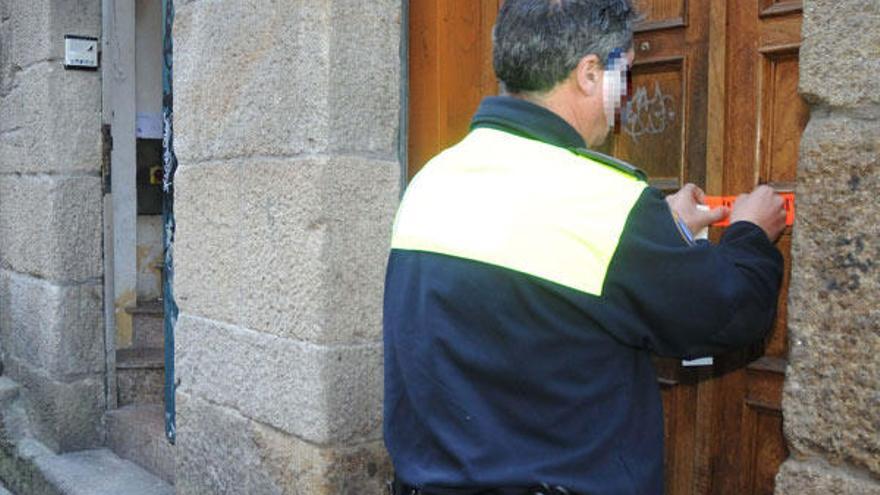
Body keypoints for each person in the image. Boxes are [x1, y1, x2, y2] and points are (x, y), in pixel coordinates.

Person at [383, 0, 787, 493]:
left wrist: (661, 230)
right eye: (626, 74)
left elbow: (535, 271)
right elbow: (728, 312)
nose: (628, 96)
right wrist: (749, 232)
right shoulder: (605, 204)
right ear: (590, 74)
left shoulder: (433, 179)